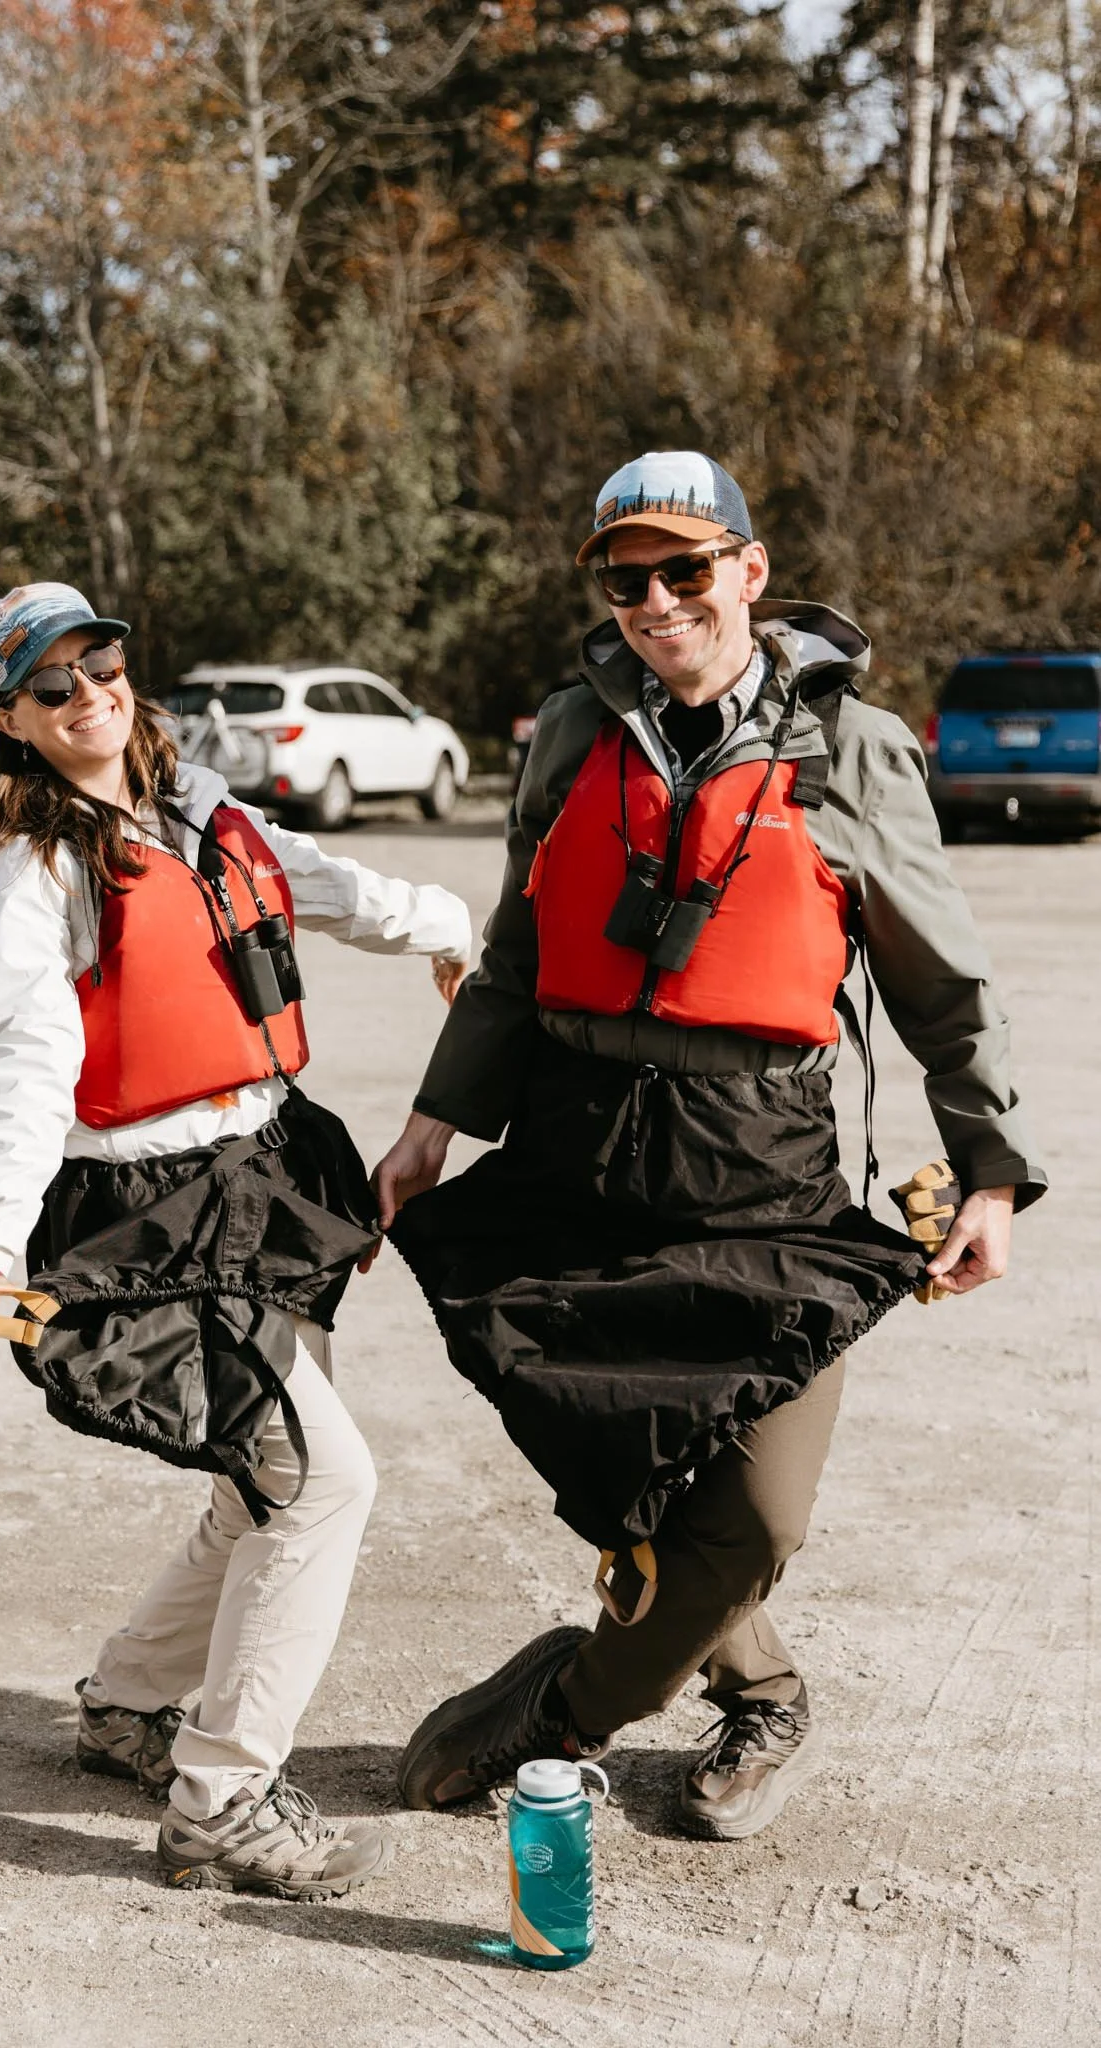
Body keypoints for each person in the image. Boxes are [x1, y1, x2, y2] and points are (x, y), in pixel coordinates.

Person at [373, 452, 1046, 1840]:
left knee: (756, 1516)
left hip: (759, 1164)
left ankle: (568, 1707)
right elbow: (516, 950)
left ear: (749, 569)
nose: (657, 602)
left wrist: (987, 1169)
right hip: (577, 1145)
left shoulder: (852, 747)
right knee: (611, 1461)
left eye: (685, 569)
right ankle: (762, 1690)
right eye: (628, 581)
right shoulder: (573, 730)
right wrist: (434, 1122)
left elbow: (940, 978)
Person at [0, 582, 470, 1899]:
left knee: (258, 1475)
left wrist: (452, 933)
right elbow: (28, 1059)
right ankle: (221, 1800)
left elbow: (328, 888)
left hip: (265, 1174)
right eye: (50, 684)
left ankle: (127, 1706)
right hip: (149, 1215)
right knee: (317, 1481)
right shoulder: (30, 868)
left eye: (100, 662)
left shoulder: (196, 805)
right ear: (11, 719)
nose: (88, 693)